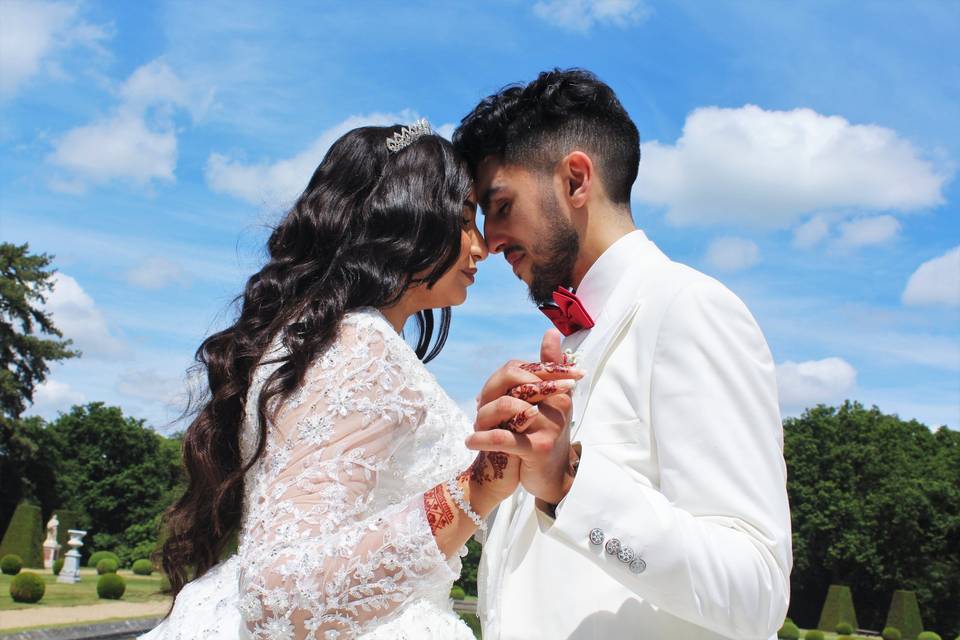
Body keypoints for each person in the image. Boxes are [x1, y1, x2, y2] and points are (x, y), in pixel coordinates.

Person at [141, 121, 580, 639]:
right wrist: (474, 488)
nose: (481, 246)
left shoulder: (319, 337)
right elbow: (277, 595)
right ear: (406, 220)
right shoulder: (357, 345)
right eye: (462, 222)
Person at [453, 69, 793, 639]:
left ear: (576, 180)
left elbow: (755, 590)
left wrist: (567, 481)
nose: (488, 241)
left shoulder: (692, 309)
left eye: (502, 204)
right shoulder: (567, 342)